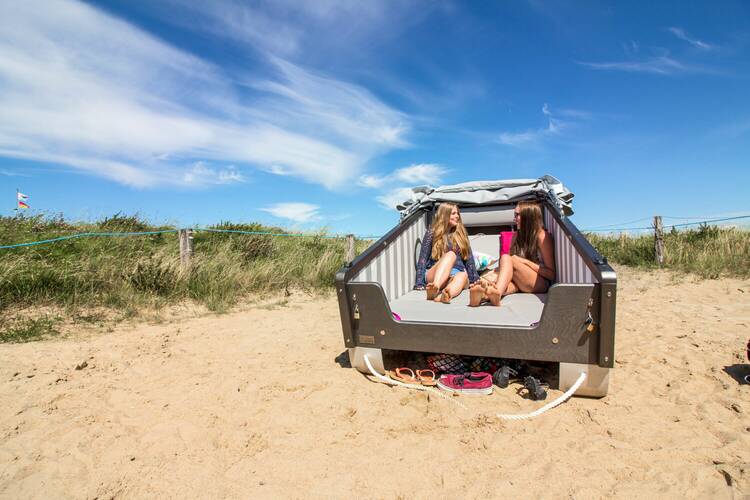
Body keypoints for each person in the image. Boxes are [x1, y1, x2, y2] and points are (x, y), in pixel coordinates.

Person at [469, 201, 555, 307]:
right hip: (521, 281)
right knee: (508, 282)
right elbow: (509, 268)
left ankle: (496, 293)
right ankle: (485, 296)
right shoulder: (516, 236)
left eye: (517, 215)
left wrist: (524, 262)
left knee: (509, 258)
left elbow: (551, 274)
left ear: (528, 216)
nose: (514, 219)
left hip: (540, 283)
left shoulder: (542, 237)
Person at [414, 203, 480, 303]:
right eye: (453, 213)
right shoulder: (432, 233)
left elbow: (469, 260)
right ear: (444, 215)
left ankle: (445, 295)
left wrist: (474, 280)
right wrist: (419, 282)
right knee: (451, 254)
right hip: (435, 275)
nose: (457, 216)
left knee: (462, 275)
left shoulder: (461, 236)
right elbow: (422, 259)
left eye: (457, 213)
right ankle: (435, 287)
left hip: (455, 275)